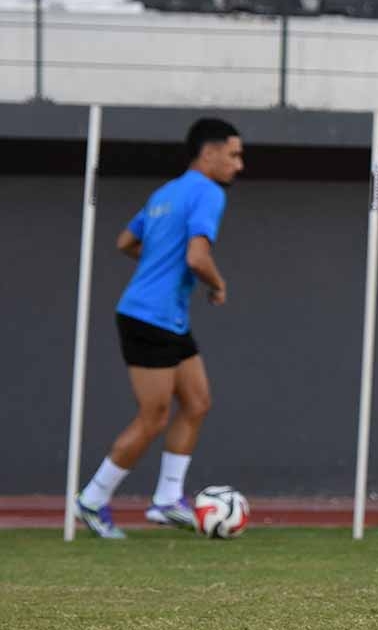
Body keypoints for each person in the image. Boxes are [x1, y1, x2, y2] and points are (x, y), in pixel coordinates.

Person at [75, 118, 242, 539]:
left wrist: (157, 261)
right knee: (154, 416)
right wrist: (218, 285)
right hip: (149, 316)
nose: (238, 165)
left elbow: (125, 242)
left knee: (197, 402)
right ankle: (92, 499)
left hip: (167, 317)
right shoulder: (209, 192)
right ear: (209, 153)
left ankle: (167, 500)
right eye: (234, 155)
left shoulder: (165, 193)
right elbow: (197, 257)